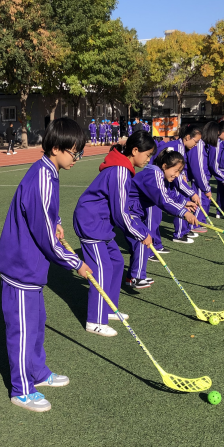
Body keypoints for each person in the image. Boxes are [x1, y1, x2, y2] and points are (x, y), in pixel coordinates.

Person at [0, 118, 92, 412]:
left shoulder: (50, 172)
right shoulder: (41, 176)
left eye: (79, 153)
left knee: (36, 325)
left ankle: (37, 373)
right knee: (23, 331)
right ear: (55, 148)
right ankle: (21, 388)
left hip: (34, 268)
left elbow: (48, 216)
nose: (76, 158)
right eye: (73, 152)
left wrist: (58, 223)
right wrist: (76, 263)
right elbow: (45, 236)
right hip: (21, 266)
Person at [73, 131, 153, 336]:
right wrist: (139, 233)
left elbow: (122, 209)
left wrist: (140, 229)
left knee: (116, 262)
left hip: (102, 223)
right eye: (147, 154)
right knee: (102, 268)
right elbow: (120, 213)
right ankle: (94, 321)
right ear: (135, 151)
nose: (148, 159)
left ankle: (108, 308)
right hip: (90, 222)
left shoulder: (124, 168)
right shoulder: (119, 171)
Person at [126, 149, 198, 287]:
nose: (177, 175)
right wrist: (184, 213)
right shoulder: (153, 174)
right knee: (143, 236)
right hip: (127, 209)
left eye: (179, 172)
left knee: (143, 237)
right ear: (165, 166)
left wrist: (184, 203)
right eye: (175, 171)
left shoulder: (159, 175)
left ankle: (132, 276)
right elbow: (163, 200)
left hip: (134, 209)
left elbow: (167, 194)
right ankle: (136, 277)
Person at [163, 125, 203, 243]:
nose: (195, 144)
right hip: (168, 180)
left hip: (173, 179)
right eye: (195, 141)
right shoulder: (178, 147)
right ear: (187, 137)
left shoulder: (181, 146)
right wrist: (192, 193)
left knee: (182, 199)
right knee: (179, 201)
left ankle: (184, 230)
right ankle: (179, 233)